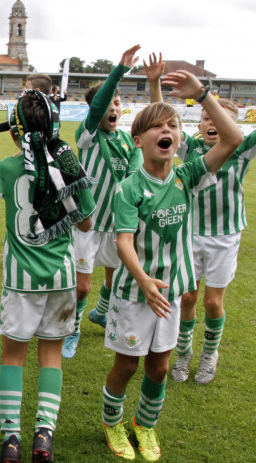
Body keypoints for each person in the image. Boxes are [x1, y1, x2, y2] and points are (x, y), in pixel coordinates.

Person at [100, 71, 243, 462]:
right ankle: (112, 423)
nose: (167, 130)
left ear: (180, 138)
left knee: (160, 368)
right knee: (127, 365)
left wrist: (203, 96)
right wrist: (143, 279)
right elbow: (124, 241)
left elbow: (233, 139)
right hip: (134, 294)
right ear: (139, 140)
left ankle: (144, 426)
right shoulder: (128, 187)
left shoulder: (187, 176)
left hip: (170, 293)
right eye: (157, 126)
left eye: (173, 125)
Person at [147, 51, 256, 385]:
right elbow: (162, 122)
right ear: (199, 124)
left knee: (213, 302)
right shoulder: (191, 148)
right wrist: (154, 82)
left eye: (218, 120)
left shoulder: (242, 148)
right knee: (187, 297)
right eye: (205, 118)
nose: (211, 123)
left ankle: (209, 354)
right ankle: (184, 351)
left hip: (225, 237)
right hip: (190, 235)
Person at [0, 89, 95, 463]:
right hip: (61, 277)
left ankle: (11, 439)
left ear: (15, 130)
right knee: (51, 355)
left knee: (12, 357)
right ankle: (44, 435)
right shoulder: (68, 164)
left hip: (21, 279)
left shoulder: (7, 167)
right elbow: (85, 222)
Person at [65, 45, 144, 359]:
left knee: (115, 279)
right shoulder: (88, 134)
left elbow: (138, 164)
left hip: (117, 225)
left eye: (119, 102)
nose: (115, 108)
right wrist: (119, 71)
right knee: (82, 286)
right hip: (89, 222)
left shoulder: (126, 139)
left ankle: (100, 313)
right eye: (109, 103)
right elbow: (98, 108)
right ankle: (72, 330)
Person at [0, 73, 54, 138]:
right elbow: (11, 124)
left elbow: (12, 124)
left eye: (27, 87)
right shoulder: (50, 109)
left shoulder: (34, 112)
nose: (24, 89)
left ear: (36, 90)